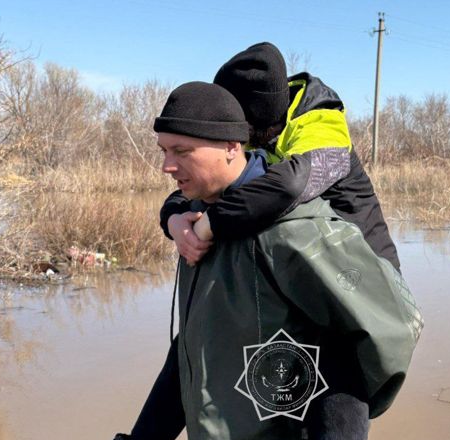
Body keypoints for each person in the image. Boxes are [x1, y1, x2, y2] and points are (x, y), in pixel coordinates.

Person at [112, 82, 422, 440]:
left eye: (182, 150)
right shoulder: (197, 224)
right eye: (163, 150)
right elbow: (193, 348)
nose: (166, 165)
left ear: (232, 146)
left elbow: (385, 333)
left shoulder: (291, 232)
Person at [160, 42, 399, 271]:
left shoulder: (323, 124)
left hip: (369, 267)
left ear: (253, 122)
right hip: (317, 267)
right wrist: (174, 218)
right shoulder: (259, 136)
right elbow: (207, 185)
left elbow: (290, 186)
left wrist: (209, 223)